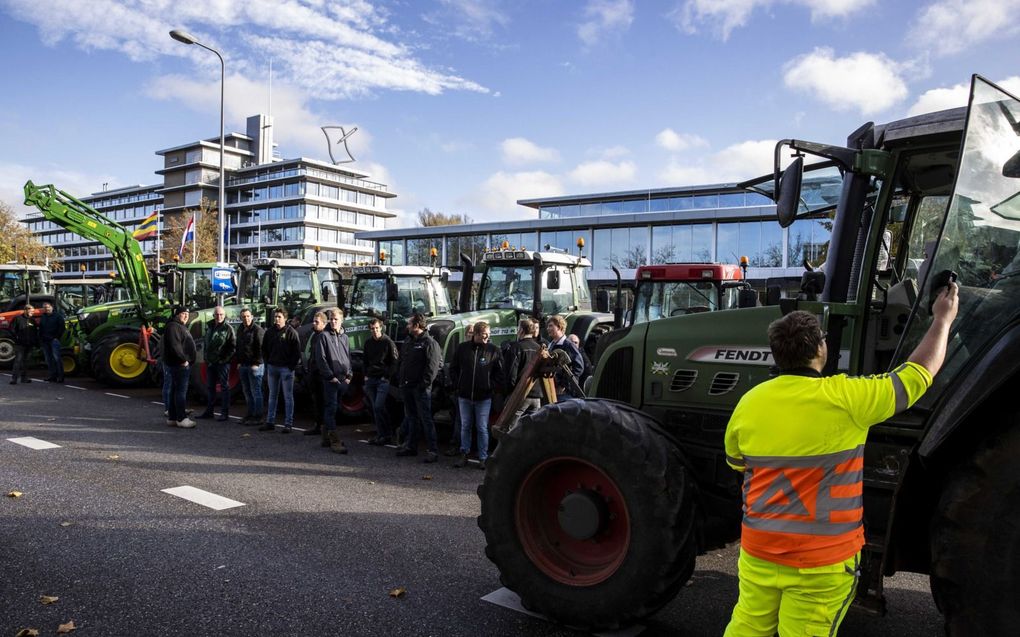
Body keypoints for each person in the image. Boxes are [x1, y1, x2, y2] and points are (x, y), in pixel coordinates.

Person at [722, 283, 959, 637]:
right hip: (821, 565)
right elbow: (918, 375)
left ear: (776, 353)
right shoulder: (848, 398)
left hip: (760, 555)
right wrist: (942, 319)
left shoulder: (748, 404)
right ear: (822, 348)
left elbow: (738, 466)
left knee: (746, 627)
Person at [449, 320, 504, 469]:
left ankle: (483, 457)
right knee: (465, 425)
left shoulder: (493, 350)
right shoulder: (462, 349)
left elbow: (500, 373)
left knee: (481, 427)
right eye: (484, 335)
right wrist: (457, 384)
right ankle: (464, 454)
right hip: (464, 395)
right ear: (477, 334)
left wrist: (490, 386)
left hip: (484, 397)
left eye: (488, 335)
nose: (487, 338)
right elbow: (453, 368)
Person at [395, 313, 442, 463]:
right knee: (411, 418)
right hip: (407, 386)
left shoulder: (429, 343)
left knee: (426, 419)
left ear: (416, 325)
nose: (407, 326)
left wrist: (423, 385)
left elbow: (432, 368)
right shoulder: (409, 341)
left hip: (420, 389)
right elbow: (402, 362)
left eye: (409, 324)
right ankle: (411, 446)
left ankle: (433, 450)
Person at [313, 307, 351, 453]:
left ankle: (325, 437)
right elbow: (321, 359)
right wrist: (330, 376)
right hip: (331, 381)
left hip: (343, 380)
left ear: (341, 320)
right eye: (331, 319)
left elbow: (348, 357)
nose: (333, 322)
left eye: (336, 319)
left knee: (335, 410)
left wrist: (349, 376)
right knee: (330, 408)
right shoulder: (324, 336)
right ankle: (335, 441)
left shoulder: (345, 337)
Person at [260, 308, 300, 433]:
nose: (276, 319)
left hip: (286, 369)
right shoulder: (269, 332)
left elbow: (296, 352)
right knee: (272, 396)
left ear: (285, 319)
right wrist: (268, 363)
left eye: (279, 317)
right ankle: (270, 422)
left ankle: (288, 424)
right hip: (272, 367)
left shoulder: (291, 332)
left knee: (288, 397)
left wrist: (290, 367)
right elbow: (264, 348)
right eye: (275, 317)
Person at [502, 317, 544, 427]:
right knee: (532, 430)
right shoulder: (539, 348)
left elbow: (511, 373)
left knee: (509, 429)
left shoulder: (516, 348)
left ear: (521, 330)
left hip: (520, 395)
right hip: (536, 396)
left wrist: (509, 393)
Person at [196, 306, 235, 421]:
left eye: (221, 315)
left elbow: (232, 347)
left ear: (224, 316)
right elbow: (206, 344)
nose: (219, 317)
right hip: (210, 363)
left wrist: (224, 360)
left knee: (224, 387)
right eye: (217, 315)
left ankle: (224, 412)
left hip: (222, 363)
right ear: (214, 315)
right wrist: (206, 358)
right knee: (210, 387)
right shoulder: (209, 327)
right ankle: (209, 411)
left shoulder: (228, 329)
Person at [364, 317, 399, 446]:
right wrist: (366, 375)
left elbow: (395, 361)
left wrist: (387, 376)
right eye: (372, 329)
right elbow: (365, 360)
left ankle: (387, 433)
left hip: (382, 380)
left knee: (379, 407)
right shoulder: (368, 343)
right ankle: (381, 434)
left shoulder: (388, 342)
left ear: (381, 328)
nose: (375, 331)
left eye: (377, 328)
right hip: (371, 379)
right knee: (376, 408)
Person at [163, 306, 197, 428]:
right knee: (180, 392)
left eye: (187, 314)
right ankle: (181, 418)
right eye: (183, 314)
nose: (186, 316)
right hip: (179, 364)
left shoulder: (178, 326)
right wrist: (183, 360)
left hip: (178, 364)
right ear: (177, 315)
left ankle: (173, 417)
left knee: (174, 391)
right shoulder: (173, 327)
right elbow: (175, 346)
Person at [235, 307, 265, 426]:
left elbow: (261, 349)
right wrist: (238, 362)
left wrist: (256, 364)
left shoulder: (258, 330)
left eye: (248, 316)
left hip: (255, 366)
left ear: (252, 317)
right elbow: (238, 347)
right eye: (243, 317)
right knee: (247, 392)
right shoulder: (240, 329)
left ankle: (258, 416)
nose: (246, 319)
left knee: (256, 391)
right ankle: (250, 414)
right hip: (243, 365)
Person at [302, 311, 328, 441]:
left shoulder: (325, 336)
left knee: (324, 402)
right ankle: (317, 425)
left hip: (322, 375)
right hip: (313, 374)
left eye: (316, 322)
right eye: (313, 321)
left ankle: (325, 427)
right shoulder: (314, 335)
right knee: (316, 401)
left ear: (324, 323)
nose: (314, 323)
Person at [545, 315, 583, 400]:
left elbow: (579, 367)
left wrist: (564, 385)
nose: (548, 329)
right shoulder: (550, 345)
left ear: (559, 327)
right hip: (553, 390)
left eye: (551, 326)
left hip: (565, 393)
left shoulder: (568, 345)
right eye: (548, 326)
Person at [38, 302, 65, 383]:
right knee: (49, 360)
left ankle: (60, 377)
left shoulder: (58, 316)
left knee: (57, 359)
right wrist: (41, 338)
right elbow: (41, 328)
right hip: (45, 341)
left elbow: (62, 328)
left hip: (54, 341)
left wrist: (57, 338)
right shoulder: (43, 316)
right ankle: (52, 376)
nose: (46, 309)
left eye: (47, 307)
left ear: (52, 307)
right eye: (44, 307)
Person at [10, 305, 37, 384]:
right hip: (20, 344)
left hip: (29, 344)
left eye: (33, 311)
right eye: (31, 311)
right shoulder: (17, 318)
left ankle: (24, 378)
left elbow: (35, 331)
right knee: (18, 361)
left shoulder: (32, 320)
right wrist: (17, 338)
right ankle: (14, 379)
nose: (32, 313)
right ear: (25, 310)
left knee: (26, 362)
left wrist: (34, 341)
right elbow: (12, 329)